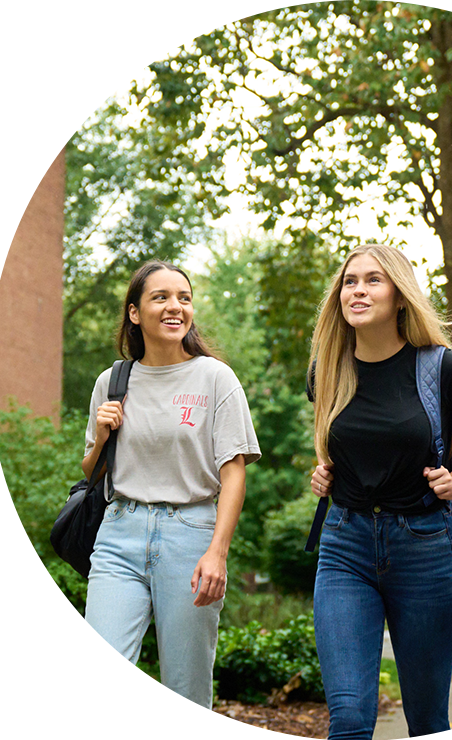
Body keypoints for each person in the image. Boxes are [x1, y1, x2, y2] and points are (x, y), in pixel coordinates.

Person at [308, 243, 452, 739]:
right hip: (345, 545)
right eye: (349, 281)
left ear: (400, 296)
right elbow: (341, 438)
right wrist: (325, 469)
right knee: (350, 719)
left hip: (425, 546)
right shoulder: (327, 369)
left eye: (373, 280)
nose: (357, 290)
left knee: (427, 722)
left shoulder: (442, 367)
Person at [83, 260, 260, 709]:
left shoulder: (215, 377)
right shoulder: (112, 381)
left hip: (191, 538)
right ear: (135, 313)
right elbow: (91, 472)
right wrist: (102, 437)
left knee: (185, 689)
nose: (174, 306)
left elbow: (234, 470)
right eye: (160, 297)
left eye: (183, 297)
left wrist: (218, 551)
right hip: (119, 533)